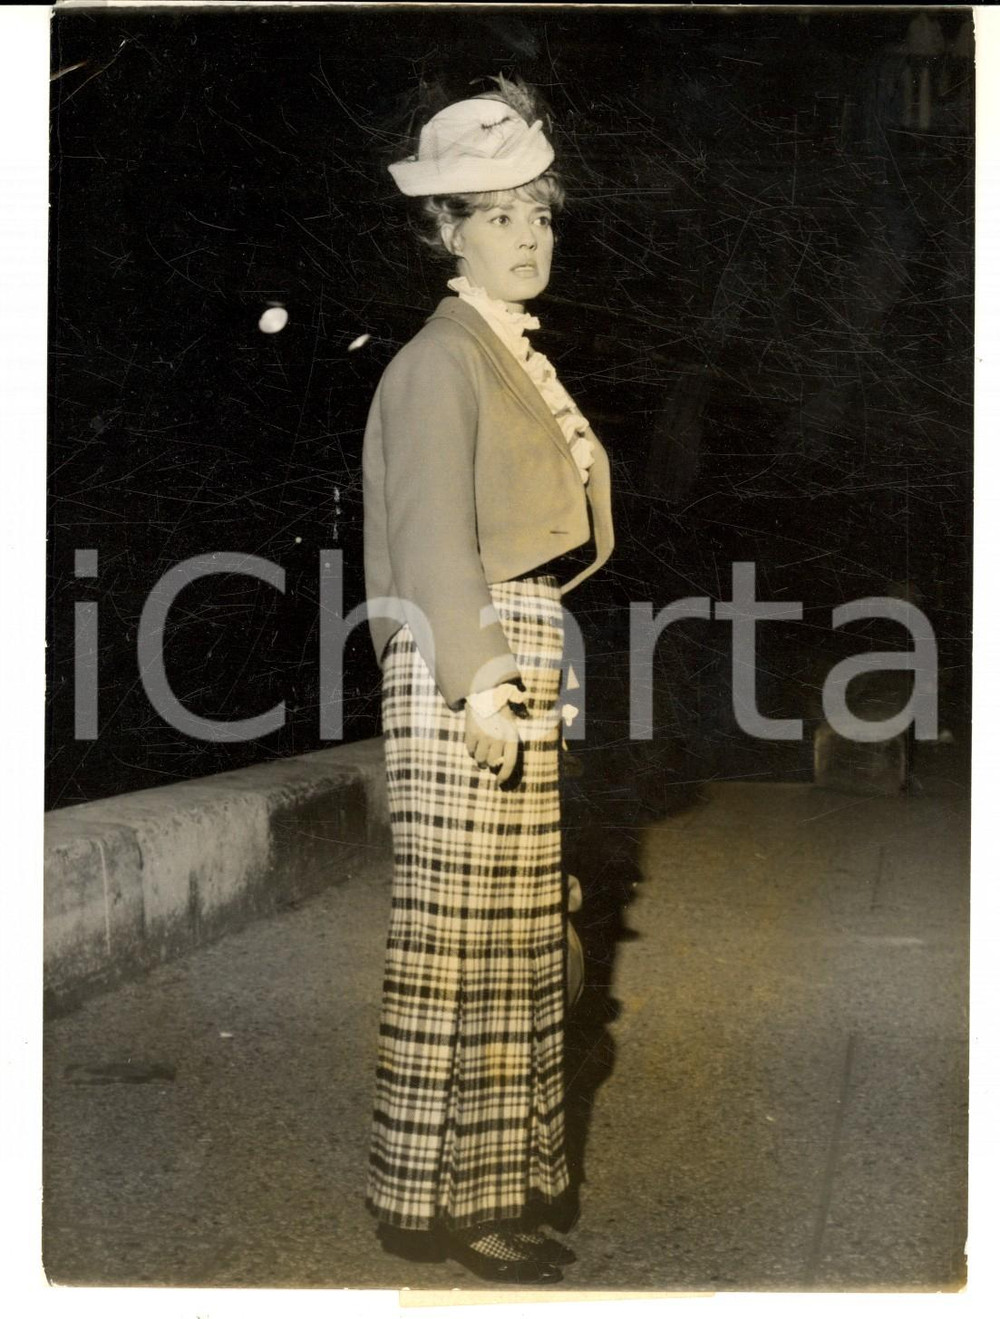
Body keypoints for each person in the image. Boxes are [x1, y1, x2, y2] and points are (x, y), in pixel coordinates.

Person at [361, 76, 614, 1285]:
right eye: (499, 215)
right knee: (462, 945)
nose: (528, 237)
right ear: (445, 232)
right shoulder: (437, 359)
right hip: (466, 655)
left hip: (513, 642)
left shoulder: (498, 351)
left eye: (539, 214)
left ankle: (486, 1190)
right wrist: (475, 681)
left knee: (515, 939)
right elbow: (427, 540)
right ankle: (436, 1203)